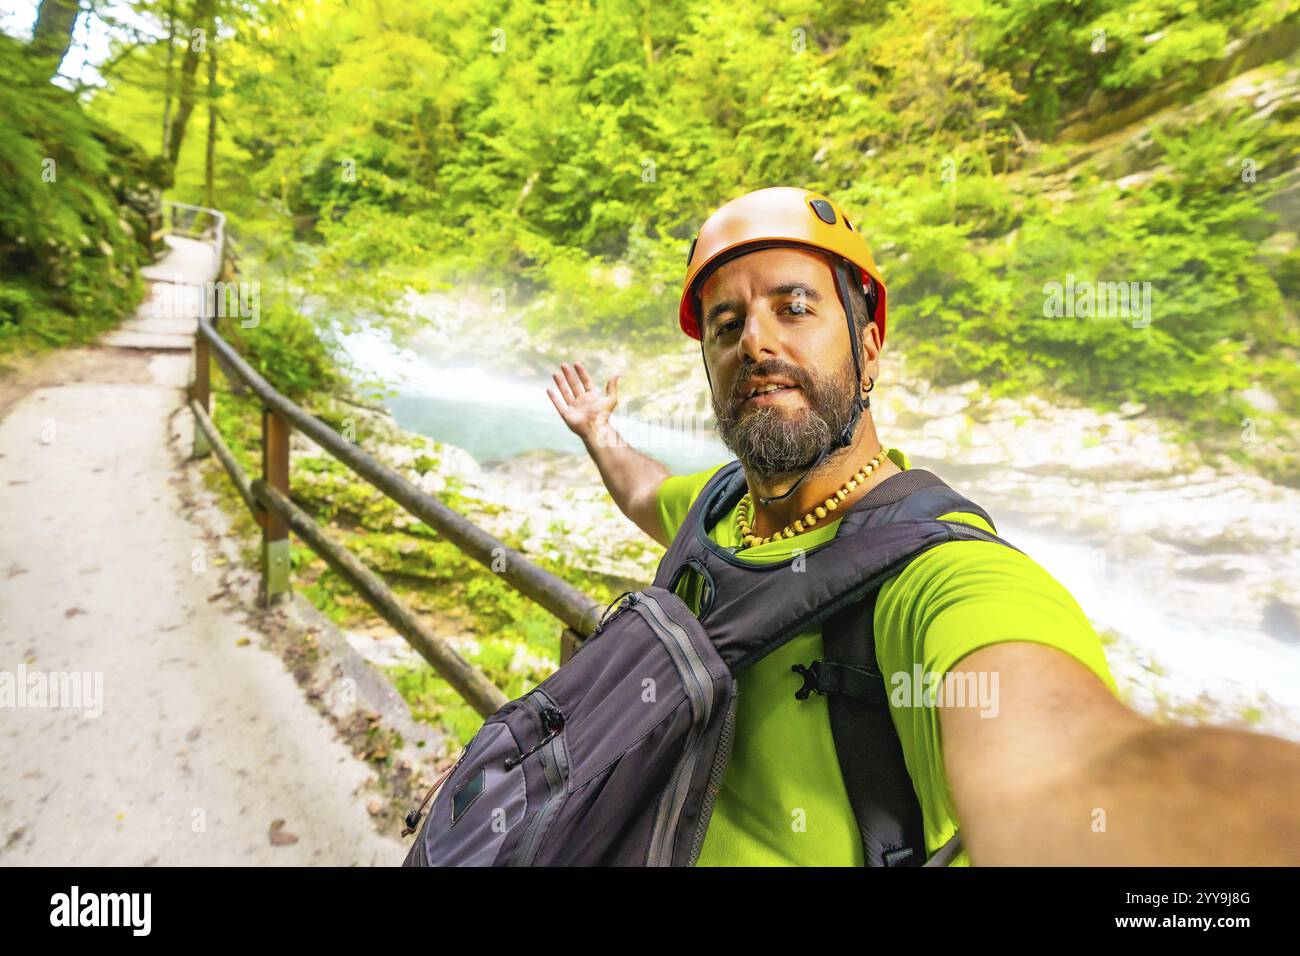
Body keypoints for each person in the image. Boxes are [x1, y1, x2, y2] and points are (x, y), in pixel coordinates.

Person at [546, 186, 1300, 865]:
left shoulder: (939, 575)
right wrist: (597, 432)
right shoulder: (717, 508)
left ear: (869, 349)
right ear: (709, 364)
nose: (756, 341)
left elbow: (1068, 765)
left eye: (795, 307)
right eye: (727, 322)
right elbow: (647, 494)